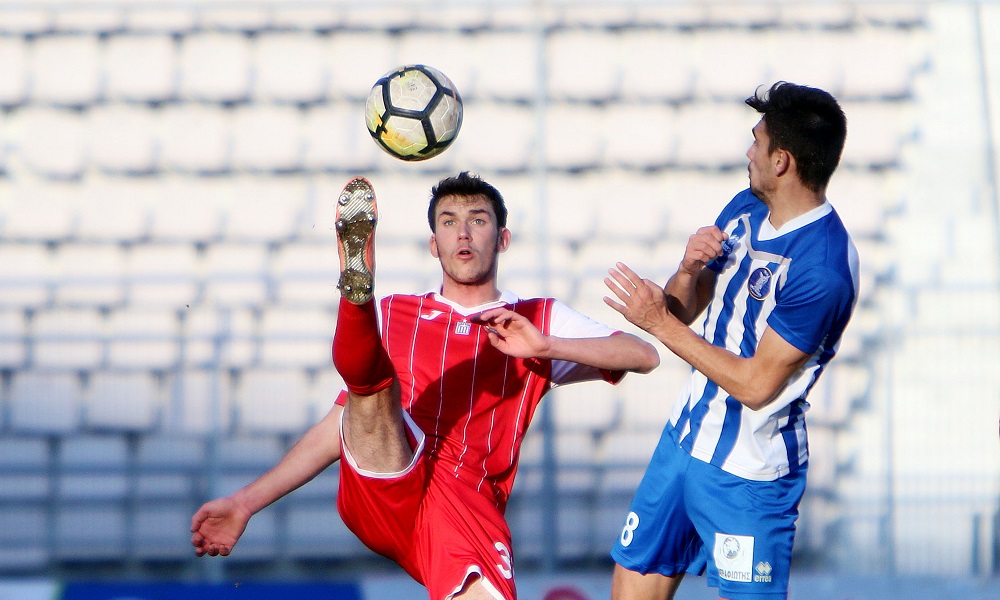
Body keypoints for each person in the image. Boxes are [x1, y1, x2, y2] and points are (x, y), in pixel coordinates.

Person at [191, 172, 660, 600]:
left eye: (478, 220)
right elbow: (338, 427)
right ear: (434, 244)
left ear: (502, 238)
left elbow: (643, 355)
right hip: (386, 480)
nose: (463, 233)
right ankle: (356, 296)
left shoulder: (535, 318)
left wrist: (546, 345)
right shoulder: (398, 313)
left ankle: (358, 310)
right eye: (449, 222)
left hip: (463, 505)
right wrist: (245, 502)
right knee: (373, 393)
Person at [603, 82, 858, 600]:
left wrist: (659, 324)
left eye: (757, 141)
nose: (748, 152)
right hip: (683, 439)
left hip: (749, 476)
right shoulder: (745, 208)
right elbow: (685, 306)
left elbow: (756, 385)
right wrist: (687, 271)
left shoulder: (823, 268)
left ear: (781, 161)